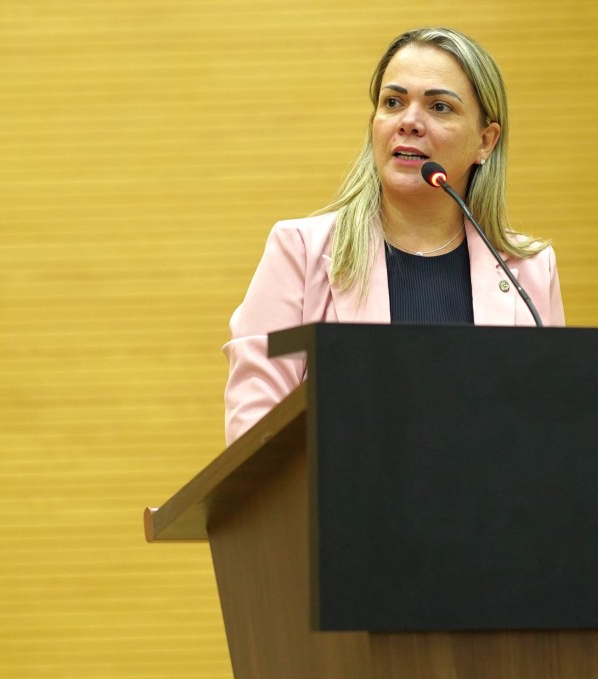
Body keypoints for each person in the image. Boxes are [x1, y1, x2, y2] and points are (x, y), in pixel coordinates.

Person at [223, 27, 565, 444]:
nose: (409, 122)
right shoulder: (300, 252)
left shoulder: (528, 268)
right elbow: (255, 431)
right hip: (344, 487)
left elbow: (549, 423)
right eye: (393, 102)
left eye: (439, 107)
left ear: (485, 141)